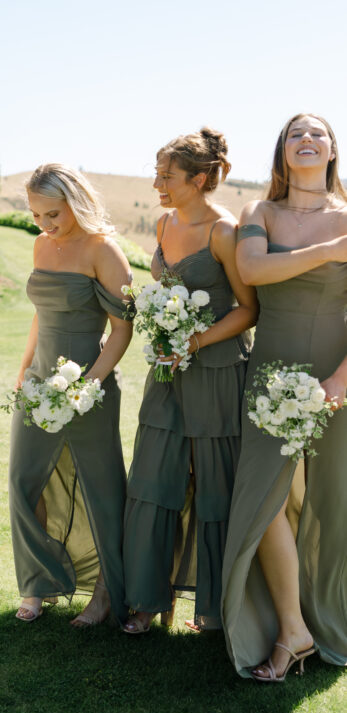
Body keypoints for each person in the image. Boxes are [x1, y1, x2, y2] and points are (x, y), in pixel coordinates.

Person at [221, 113, 347, 681]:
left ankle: (328, 620)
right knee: (263, 500)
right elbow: (252, 268)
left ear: (332, 150)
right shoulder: (260, 213)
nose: (306, 140)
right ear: (282, 152)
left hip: (336, 379)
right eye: (295, 133)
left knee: (333, 502)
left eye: (317, 133)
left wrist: (340, 383)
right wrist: (329, 252)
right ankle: (290, 630)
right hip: (270, 375)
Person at [122, 129, 258, 634]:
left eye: (166, 175)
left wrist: (194, 343)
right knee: (154, 478)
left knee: (213, 485)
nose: (157, 182)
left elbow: (249, 309)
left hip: (218, 372)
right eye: (156, 173)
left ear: (199, 179)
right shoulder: (163, 222)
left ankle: (217, 605)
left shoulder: (225, 232)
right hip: (167, 371)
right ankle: (147, 597)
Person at [9, 163, 134, 626]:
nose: (44, 225)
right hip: (39, 384)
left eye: (53, 214)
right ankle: (39, 584)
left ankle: (106, 593)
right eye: (37, 215)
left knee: (102, 491)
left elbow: (123, 330)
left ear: (76, 202)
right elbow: (40, 315)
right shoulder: (42, 245)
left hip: (89, 387)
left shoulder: (104, 250)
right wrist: (24, 368)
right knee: (25, 484)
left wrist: (90, 385)